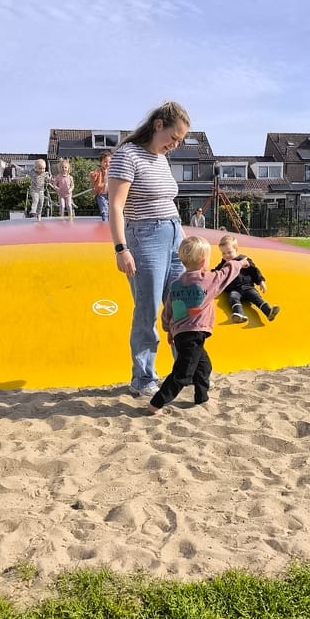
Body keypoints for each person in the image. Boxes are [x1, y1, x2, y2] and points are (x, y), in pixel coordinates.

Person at [108, 101, 191, 397]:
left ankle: (184, 369)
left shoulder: (161, 159)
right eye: (173, 137)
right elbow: (115, 207)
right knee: (147, 310)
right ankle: (143, 378)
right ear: (158, 125)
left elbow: (167, 202)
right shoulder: (127, 155)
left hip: (174, 235)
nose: (175, 145)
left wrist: (185, 241)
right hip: (144, 237)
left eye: (179, 141)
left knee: (181, 306)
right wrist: (121, 249)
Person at [147, 236, 249, 414]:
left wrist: (169, 330)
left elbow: (168, 310)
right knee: (183, 373)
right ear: (203, 261)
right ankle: (156, 404)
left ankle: (202, 397)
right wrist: (240, 263)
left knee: (204, 366)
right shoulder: (207, 280)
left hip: (182, 334)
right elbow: (226, 273)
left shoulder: (177, 284)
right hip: (193, 334)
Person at [213, 234, 280, 323]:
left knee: (256, 297)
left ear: (236, 250)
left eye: (229, 252)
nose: (227, 255)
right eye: (223, 253)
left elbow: (254, 270)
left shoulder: (244, 260)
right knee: (233, 298)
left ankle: (268, 312)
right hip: (234, 289)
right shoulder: (223, 264)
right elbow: (216, 273)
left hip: (248, 287)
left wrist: (261, 281)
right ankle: (239, 314)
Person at [90, 151, 112, 221]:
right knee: (104, 210)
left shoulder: (111, 171)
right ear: (101, 162)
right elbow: (94, 175)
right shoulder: (99, 171)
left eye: (109, 162)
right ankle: (105, 223)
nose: (107, 164)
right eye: (105, 162)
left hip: (110, 194)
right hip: (101, 195)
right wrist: (93, 175)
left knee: (111, 211)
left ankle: (109, 223)